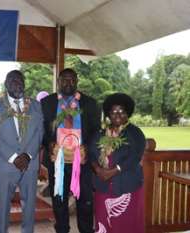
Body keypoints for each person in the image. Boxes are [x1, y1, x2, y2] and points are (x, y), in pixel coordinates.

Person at [41, 68, 101, 233]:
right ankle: (61, 229)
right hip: (58, 161)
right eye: (65, 80)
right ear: (58, 82)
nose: (68, 83)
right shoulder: (47, 103)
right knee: (59, 200)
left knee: (85, 201)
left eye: (72, 80)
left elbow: (97, 131)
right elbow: (42, 131)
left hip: (82, 161)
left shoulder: (90, 103)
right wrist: (49, 143)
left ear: (77, 81)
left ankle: (86, 230)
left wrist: (87, 148)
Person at [0, 70, 43, 233]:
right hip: (5, 165)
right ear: (6, 84)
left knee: (29, 205)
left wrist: (27, 155)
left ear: (24, 83)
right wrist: (13, 157)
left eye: (20, 79)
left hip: (29, 164)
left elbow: (40, 132)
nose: (16, 82)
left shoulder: (35, 105)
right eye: (12, 80)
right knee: (3, 206)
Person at [88, 93, 145, 233]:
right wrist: (97, 169)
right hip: (103, 187)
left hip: (127, 187)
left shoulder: (134, 132)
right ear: (108, 114)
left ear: (128, 114)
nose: (117, 114)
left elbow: (135, 156)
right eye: (113, 111)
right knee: (103, 221)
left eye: (121, 111)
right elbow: (90, 152)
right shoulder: (101, 132)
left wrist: (113, 171)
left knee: (125, 224)